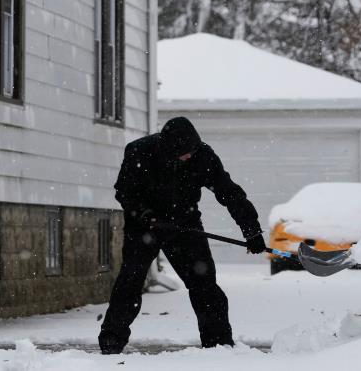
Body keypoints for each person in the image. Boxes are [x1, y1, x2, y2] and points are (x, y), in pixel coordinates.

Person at [98, 116, 266, 354]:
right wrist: (144, 215)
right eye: (183, 153)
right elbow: (124, 192)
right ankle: (111, 343)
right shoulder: (139, 152)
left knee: (204, 284)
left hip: (184, 225)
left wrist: (252, 230)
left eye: (192, 151)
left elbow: (229, 193)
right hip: (144, 225)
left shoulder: (202, 156)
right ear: (168, 149)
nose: (189, 156)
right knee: (130, 281)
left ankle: (218, 346)